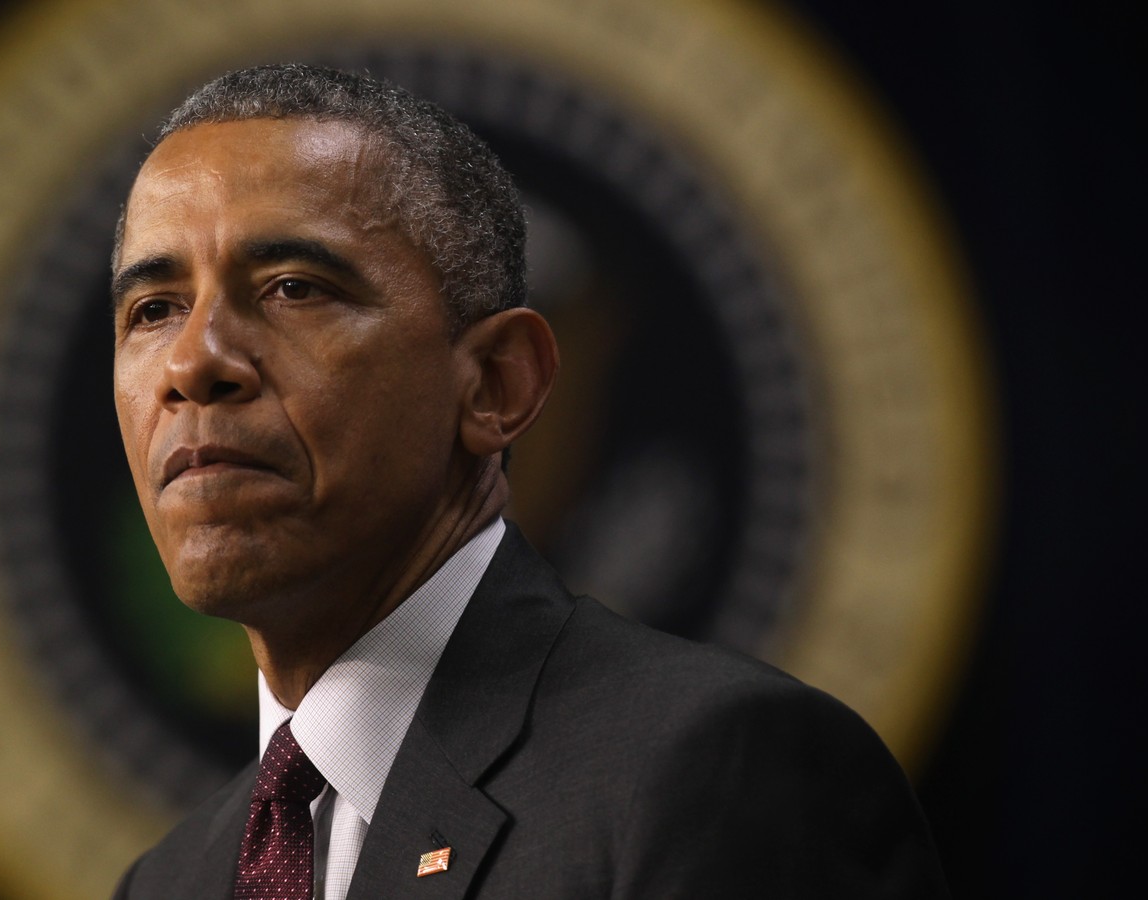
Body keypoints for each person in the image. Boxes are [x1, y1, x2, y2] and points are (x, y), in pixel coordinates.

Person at [110, 63, 948, 900]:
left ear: (497, 385)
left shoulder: (711, 774)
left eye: (293, 289)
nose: (192, 363)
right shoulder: (168, 884)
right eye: (152, 310)